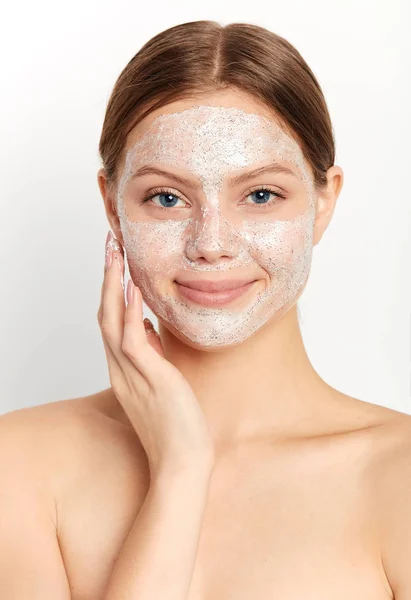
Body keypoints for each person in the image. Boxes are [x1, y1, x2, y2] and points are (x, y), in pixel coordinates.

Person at [0, 19, 409, 600]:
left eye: (261, 195)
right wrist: (181, 470)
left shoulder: (400, 478)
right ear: (113, 208)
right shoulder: (17, 466)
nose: (211, 242)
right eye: (166, 198)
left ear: (324, 202)